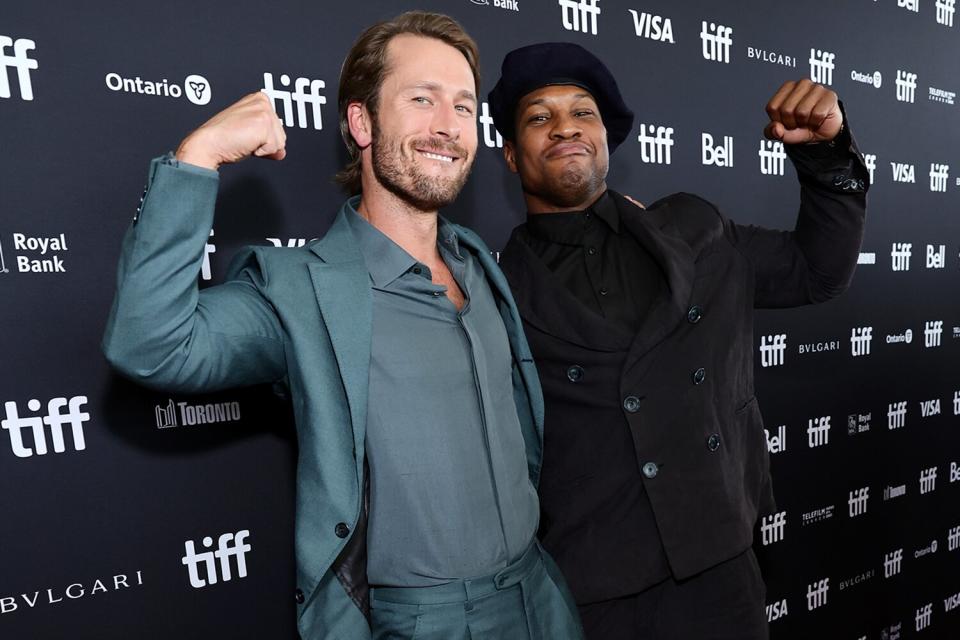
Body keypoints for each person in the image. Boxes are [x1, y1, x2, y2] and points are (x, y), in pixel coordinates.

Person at [102, 15, 582, 640]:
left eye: (463, 106)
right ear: (361, 123)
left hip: (541, 599)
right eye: (421, 98)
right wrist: (198, 159)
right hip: (420, 625)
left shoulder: (478, 261)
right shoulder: (300, 288)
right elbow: (150, 345)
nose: (447, 124)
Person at [488, 42, 867, 639]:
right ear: (511, 155)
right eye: (539, 117)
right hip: (589, 589)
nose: (564, 127)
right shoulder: (492, 288)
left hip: (720, 570)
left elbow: (817, 271)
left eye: (582, 112)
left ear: (607, 139)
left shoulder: (695, 228)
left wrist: (825, 155)